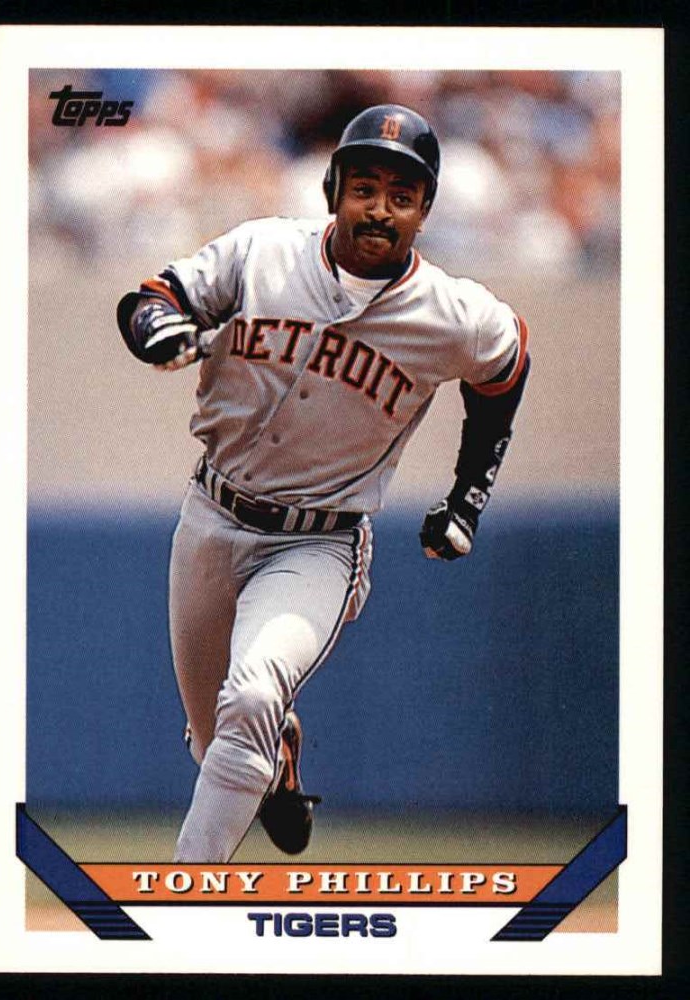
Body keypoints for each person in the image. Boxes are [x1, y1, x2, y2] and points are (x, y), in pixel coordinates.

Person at [116, 104, 530, 863]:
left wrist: (467, 496)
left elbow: (507, 366)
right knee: (213, 737)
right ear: (333, 189)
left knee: (250, 697)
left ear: (425, 210)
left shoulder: (453, 314)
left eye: (402, 196)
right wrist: (158, 329)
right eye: (364, 188)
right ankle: (275, 762)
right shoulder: (261, 251)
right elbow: (154, 297)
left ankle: (182, 894)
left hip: (319, 542)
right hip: (211, 515)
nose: (380, 210)